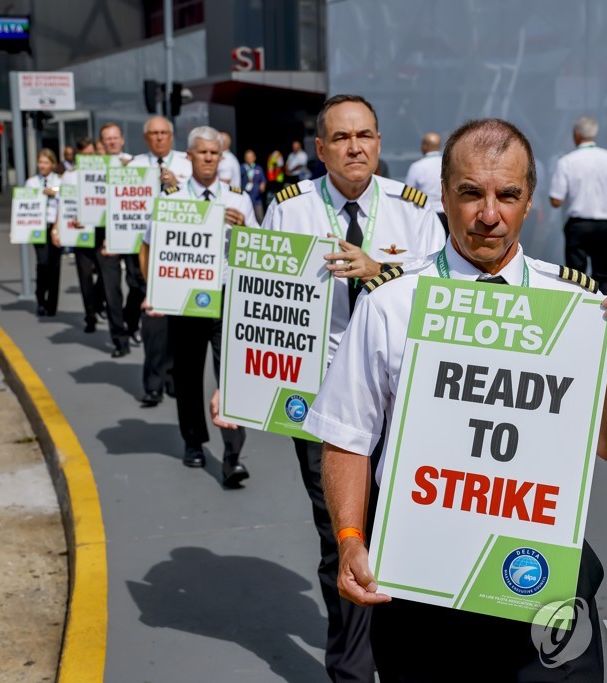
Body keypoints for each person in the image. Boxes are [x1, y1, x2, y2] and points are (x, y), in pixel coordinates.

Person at [305, 117, 607, 682]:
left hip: (541, 582)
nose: (490, 214)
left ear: (530, 200)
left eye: (508, 195)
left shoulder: (579, 309)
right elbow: (347, 435)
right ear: (444, 195)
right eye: (471, 194)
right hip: (421, 585)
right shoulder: (393, 303)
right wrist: (348, 539)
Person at [231, 94, 446, 683]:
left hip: (402, 399)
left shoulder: (415, 209)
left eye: (367, 136)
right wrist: (237, 384)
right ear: (319, 148)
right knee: (341, 536)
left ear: (379, 143)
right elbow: (265, 306)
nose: (356, 147)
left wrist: (382, 270)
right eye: (343, 138)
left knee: (403, 528)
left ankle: (402, 650)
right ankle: (352, 670)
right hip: (322, 399)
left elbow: (442, 300)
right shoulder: (288, 208)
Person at [139, 126, 255, 480]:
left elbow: (257, 255)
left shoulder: (239, 200)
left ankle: (233, 454)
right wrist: (153, 291)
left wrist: (244, 232)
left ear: (221, 158)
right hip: (187, 302)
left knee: (232, 379)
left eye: (214, 153)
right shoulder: (170, 201)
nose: (208, 159)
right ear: (188, 156)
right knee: (188, 377)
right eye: (202, 153)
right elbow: (147, 247)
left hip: (227, 299)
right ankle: (193, 440)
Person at [129, 116, 192, 407]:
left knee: (180, 325)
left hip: (180, 255)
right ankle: (153, 383)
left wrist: (175, 183)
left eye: (163, 133)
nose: (158, 138)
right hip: (144, 250)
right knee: (153, 323)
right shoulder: (134, 166)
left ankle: (174, 379)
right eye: (153, 133)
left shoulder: (186, 164)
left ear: (171, 135)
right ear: (145, 138)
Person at [549, 115, 607, 294]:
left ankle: (576, 316)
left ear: (577, 134)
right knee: (603, 274)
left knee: (576, 278)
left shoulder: (566, 161)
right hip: (603, 224)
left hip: (577, 225)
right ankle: (605, 317)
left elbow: (556, 200)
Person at [96, 122, 143, 358]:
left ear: (122, 140)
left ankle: (131, 322)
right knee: (111, 290)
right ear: (102, 143)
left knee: (137, 283)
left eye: (115, 138)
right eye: (107, 139)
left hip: (132, 232)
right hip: (104, 237)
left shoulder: (136, 164)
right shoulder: (93, 169)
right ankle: (119, 340)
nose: (112, 142)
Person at [53, 137, 105, 334]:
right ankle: (89, 315)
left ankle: (98, 302)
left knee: (104, 273)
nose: (89, 157)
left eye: (92, 154)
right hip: (79, 231)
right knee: (84, 276)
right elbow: (63, 203)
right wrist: (57, 228)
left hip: (100, 231)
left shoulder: (105, 171)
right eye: (85, 155)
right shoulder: (70, 176)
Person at [25, 148, 63, 316]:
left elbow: (67, 202)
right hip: (38, 227)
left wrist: (53, 193)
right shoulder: (32, 182)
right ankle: (41, 299)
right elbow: (24, 206)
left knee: (55, 266)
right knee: (42, 263)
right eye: (40, 162)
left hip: (55, 226)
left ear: (53, 164)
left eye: (46, 162)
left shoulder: (60, 182)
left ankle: (52, 304)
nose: (42, 165)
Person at [404, 131, 446, 232]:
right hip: (447, 216)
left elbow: (407, 195)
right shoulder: (448, 164)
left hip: (426, 215)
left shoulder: (417, 167)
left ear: (425, 146)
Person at [240, 149, 267, 222]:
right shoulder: (241, 168)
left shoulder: (258, 168)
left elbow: (263, 180)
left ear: (254, 158)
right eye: (247, 157)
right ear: (245, 158)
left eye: (251, 157)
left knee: (260, 218)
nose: (249, 159)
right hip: (245, 198)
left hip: (256, 198)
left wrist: (262, 186)